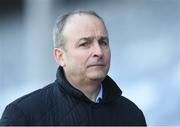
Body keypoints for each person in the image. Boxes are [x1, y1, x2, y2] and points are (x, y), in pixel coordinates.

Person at [0, 10, 146, 126]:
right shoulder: (23, 115)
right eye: (84, 44)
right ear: (60, 57)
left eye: (103, 42)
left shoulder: (131, 114)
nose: (99, 52)